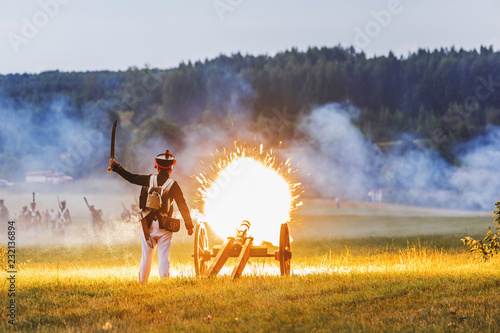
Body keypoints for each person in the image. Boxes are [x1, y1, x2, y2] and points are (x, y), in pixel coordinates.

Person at [109, 149, 194, 283]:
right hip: (165, 226)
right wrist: (189, 226)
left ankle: (143, 283)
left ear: (157, 166)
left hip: (147, 225)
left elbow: (131, 178)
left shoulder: (149, 179)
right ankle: (164, 282)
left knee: (146, 258)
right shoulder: (174, 185)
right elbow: (182, 205)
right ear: (171, 168)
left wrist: (116, 167)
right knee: (164, 257)